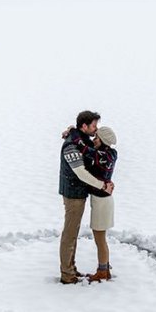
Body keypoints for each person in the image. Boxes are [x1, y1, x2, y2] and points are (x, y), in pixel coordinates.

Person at [59, 111, 114, 284]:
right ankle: (67, 274)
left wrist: (71, 130)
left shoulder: (81, 139)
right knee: (70, 234)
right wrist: (102, 185)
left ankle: (71, 269)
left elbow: (93, 151)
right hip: (73, 194)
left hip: (79, 192)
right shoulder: (72, 146)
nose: (95, 130)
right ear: (84, 126)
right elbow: (81, 173)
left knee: (73, 233)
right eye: (93, 126)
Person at [70, 126, 118, 282]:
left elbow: (83, 146)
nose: (93, 139)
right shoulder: (110, 153)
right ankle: (105, 268)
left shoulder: (101, 155)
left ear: (103, 141)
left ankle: (102, 271)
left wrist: (73, 131)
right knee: (101, 238)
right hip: (103, 199)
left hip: (101, 202)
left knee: (100, 239)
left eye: (96, 137)